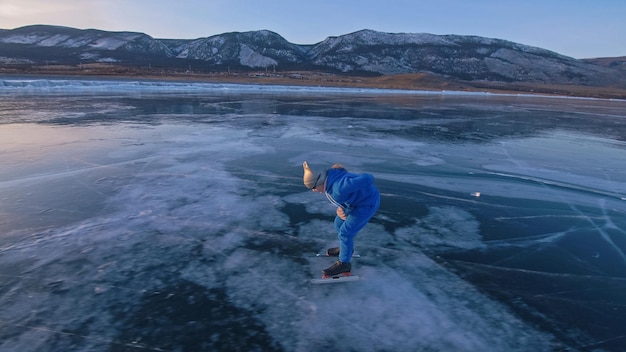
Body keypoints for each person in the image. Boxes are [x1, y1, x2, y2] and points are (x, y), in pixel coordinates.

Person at [302, 161, 380, 278]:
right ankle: (347, 249)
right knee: (338, 224)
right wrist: (343, 210)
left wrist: (347, 209)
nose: (313, 190)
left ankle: (344, 264)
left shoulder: (339, 189)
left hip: (367, 205)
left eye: (313, 187)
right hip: (356, 202)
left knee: (345, 232)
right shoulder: (330, 179)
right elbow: (349, 196)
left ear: (320, 181)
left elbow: (368, 178)